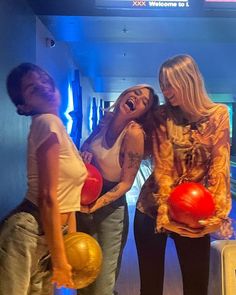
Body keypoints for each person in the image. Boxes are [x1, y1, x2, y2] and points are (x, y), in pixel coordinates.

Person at [134, 54, 232, 295]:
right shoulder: (161, 116)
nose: (165, 91)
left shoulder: (218, 114)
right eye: (162, 84)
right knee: (150, 288)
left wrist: (217, 214)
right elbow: (163, 168)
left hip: (194, 209)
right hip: (153, 208)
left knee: (196, 286)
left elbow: (220, 168)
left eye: (170, 84)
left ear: (188, 81)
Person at [0, 63, 88, 294]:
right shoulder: (47, 122)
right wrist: (61, 262)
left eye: (41, 78)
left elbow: (69, 199)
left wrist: (70, 243)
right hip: (27, 233)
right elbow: (48, 197)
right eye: (31, 88)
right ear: (24, 106)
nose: (40, 85)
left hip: (47, 236)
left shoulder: (57, 127)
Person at [77, 85, 159, 295]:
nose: (137, 98)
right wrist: (85, 155)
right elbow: (86, 147)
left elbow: (126, 183)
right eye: (136, 93)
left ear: (143, 113)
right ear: (125, 94)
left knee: (103, 283)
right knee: (83, 276)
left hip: (109, 209)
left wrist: (96, 205)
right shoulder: (105, 120)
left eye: (144, 101)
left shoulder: (134, 133)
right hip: (84, 202)